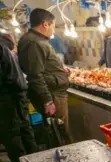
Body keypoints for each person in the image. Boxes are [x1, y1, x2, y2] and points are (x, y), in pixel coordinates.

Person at [18, 9, 71, 140]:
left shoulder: (34, 39)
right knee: (59, 133)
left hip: (53, 91)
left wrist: (59, 68)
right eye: (53, 25)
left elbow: (40, 65)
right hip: (53, 95)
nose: (53, 29)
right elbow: (35, 75)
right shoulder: (35, 43)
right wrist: (47, 101)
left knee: (56, 131)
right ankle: (64, 157)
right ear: (45, 24)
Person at [0, 33, 38, 162]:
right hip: (18, 92)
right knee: (24, 126)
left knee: (11, 131)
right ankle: (32, 159)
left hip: (8, 95)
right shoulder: (5, 45)